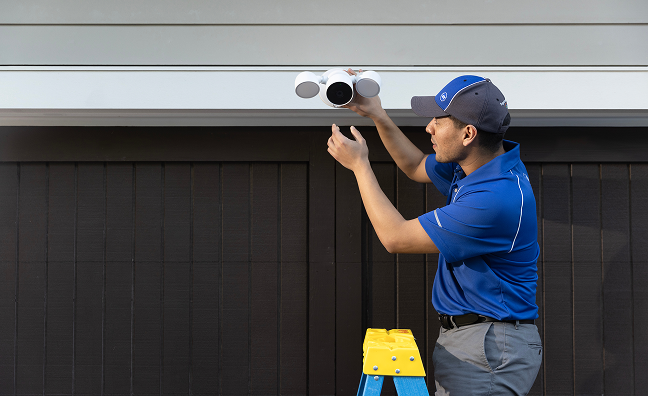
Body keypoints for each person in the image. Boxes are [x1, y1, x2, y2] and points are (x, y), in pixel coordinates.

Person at [327, 71, 542, 395]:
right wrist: (377, 114)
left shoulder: (495, 199)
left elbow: (395, 237)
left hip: (490, 346)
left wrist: (360, 166)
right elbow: (414, 165)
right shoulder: (475, 166)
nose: (429, 127)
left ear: (468, 133)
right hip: (474, 338)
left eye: (438, 120)